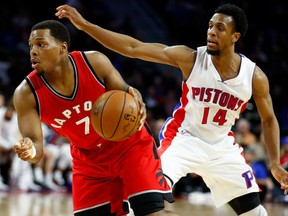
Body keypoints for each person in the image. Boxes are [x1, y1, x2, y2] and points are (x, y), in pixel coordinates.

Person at [55, 3, 288, 216]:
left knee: (255, 213)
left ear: (235, 36)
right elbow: (133, 47)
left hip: (221, 147)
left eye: (220, 28)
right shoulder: (191, 58)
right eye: (209, 26)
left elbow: (268, 119)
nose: (211, 32)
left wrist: (275, 163)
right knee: (144, 203)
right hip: (182, 140)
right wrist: (85, 26)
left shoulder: (254, 76)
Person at [12, 18, 176, 216]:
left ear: (62, 48)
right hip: (88, 160)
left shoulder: (93, 62)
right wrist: (30, 150)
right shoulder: (26, 94)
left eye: (41, 44)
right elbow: (37, 146)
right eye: (31, 45)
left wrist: (135, 97)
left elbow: (127, 96)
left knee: (152, 213)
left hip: (128, 145)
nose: (33, 51)